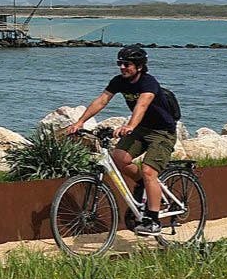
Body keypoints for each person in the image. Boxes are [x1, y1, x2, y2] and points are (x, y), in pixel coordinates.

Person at [63, 44, 177, 237]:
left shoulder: (149, 83)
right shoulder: (119, 81)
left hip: (162, 132)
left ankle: (153, 220)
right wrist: (80, 122)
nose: (123, 67)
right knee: (119, 158)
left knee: (150, 171)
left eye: (127, 64)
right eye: (120, 64)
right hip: (142, 129)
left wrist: (129, 126)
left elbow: (142, 104)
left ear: (139, 66)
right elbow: (102, 100)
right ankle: (141, 183)